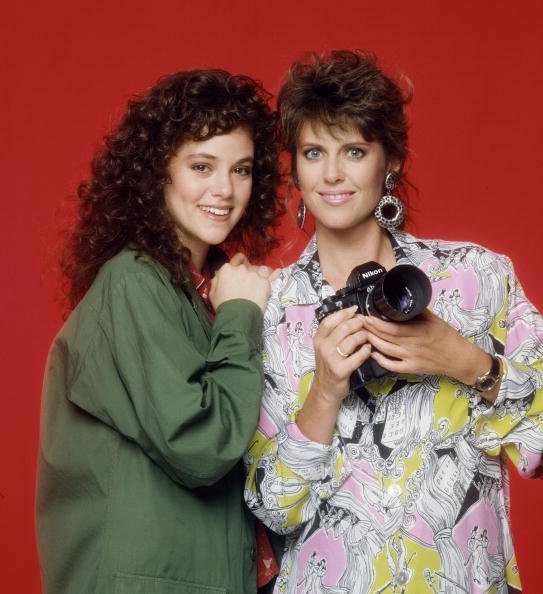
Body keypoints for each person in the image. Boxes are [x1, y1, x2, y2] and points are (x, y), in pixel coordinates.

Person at [244, 50, 543, 594]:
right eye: (314, 153)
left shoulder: (475, 279)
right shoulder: (270, 310)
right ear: (295, 167)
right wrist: (325, 393)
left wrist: (469, 362)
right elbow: (270, 510)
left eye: (354, 151)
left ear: (391, 162)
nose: (332, 173)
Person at [36, 69, 282, 594]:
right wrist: (241, 315)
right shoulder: (133, 282)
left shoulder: (209, 289)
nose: (225, 189)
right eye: (201, 166)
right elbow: (203, 445)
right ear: (156, 174)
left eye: (241, 169)